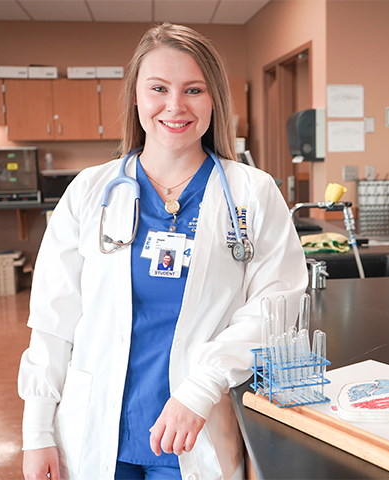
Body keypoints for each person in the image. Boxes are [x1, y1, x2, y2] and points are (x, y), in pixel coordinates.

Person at [18, 22, 307, 480]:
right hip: (98, 430)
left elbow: (274, 306)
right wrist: (37, 433)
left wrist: (199, 390)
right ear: (136, 97)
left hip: (194, 429)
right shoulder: (90, 192)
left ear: (214, 99)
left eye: (193, 89)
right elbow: (54, 319)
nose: (175, 106)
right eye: (158, 88)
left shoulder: (252, 192)